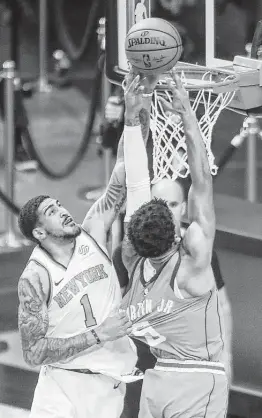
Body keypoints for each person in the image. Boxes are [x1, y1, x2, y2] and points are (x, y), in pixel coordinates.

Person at [121, 70, 228, 417]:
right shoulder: (191, 262)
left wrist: (132, 121)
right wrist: (187, 116)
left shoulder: (130, 258)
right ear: (176, 230)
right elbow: (201, 184)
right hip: (171, 379)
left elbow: (135, 184)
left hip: (181, 380)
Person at [17, 127, 143, 418]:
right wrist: (98, 335)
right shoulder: (36, 277)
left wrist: (136, 111)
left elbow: (122, 170)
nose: (62, 210)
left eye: (59, 204)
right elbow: (33, 352)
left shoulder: (93, 232)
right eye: (51, 211)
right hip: (61, 386)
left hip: (107, 384)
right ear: (39, 232)